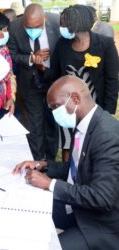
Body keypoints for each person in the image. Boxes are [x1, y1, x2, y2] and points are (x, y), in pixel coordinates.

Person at [13, 75, 119, 250]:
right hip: (80, 208)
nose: (54, 113)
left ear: (75, 98)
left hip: (100, 225)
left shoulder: (107, 136)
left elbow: (102, 197)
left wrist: (50, 184)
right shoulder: (84, 124)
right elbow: (78, 168)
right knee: (26, 207)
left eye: (56, 107)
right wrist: (44, 165)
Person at [46, 4, 119, 161]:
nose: (61, 26)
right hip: (67, 107)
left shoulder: (105, 45)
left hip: (94, 106)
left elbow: (112, 80)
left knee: (91, 145)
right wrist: (39, 68)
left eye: (63, 23)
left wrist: (108, 112)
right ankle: (67, 177)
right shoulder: (62, 44)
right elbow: (55, 73)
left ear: (75, 24)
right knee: (68, 144)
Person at [8, 3, 60, 161]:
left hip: (53, 81)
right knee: (34, 124)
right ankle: (37, 159)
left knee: (52, 122)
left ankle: (50, 161)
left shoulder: (57, 23)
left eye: (37, 27)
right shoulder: (15, 27)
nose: (32, 31)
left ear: (44, 18)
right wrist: (31, 58)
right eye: (28, 27)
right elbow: (12, 54)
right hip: (30, 83)